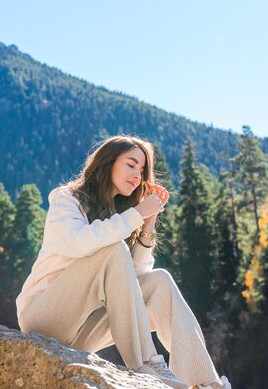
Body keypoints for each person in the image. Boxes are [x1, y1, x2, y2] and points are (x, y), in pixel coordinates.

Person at [16, 135, 231, 389]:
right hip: (44, 317)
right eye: (131, 164)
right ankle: (147, 364)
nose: (137, 175)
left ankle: (205, 382)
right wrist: (137, 213)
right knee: (113, 249)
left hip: (83, 333)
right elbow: (80, 242)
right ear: (107, 162)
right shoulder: (67, 201)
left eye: (141, 170)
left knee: (159, 280)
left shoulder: (117, 216)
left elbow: (132, 276)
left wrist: (147, 222)